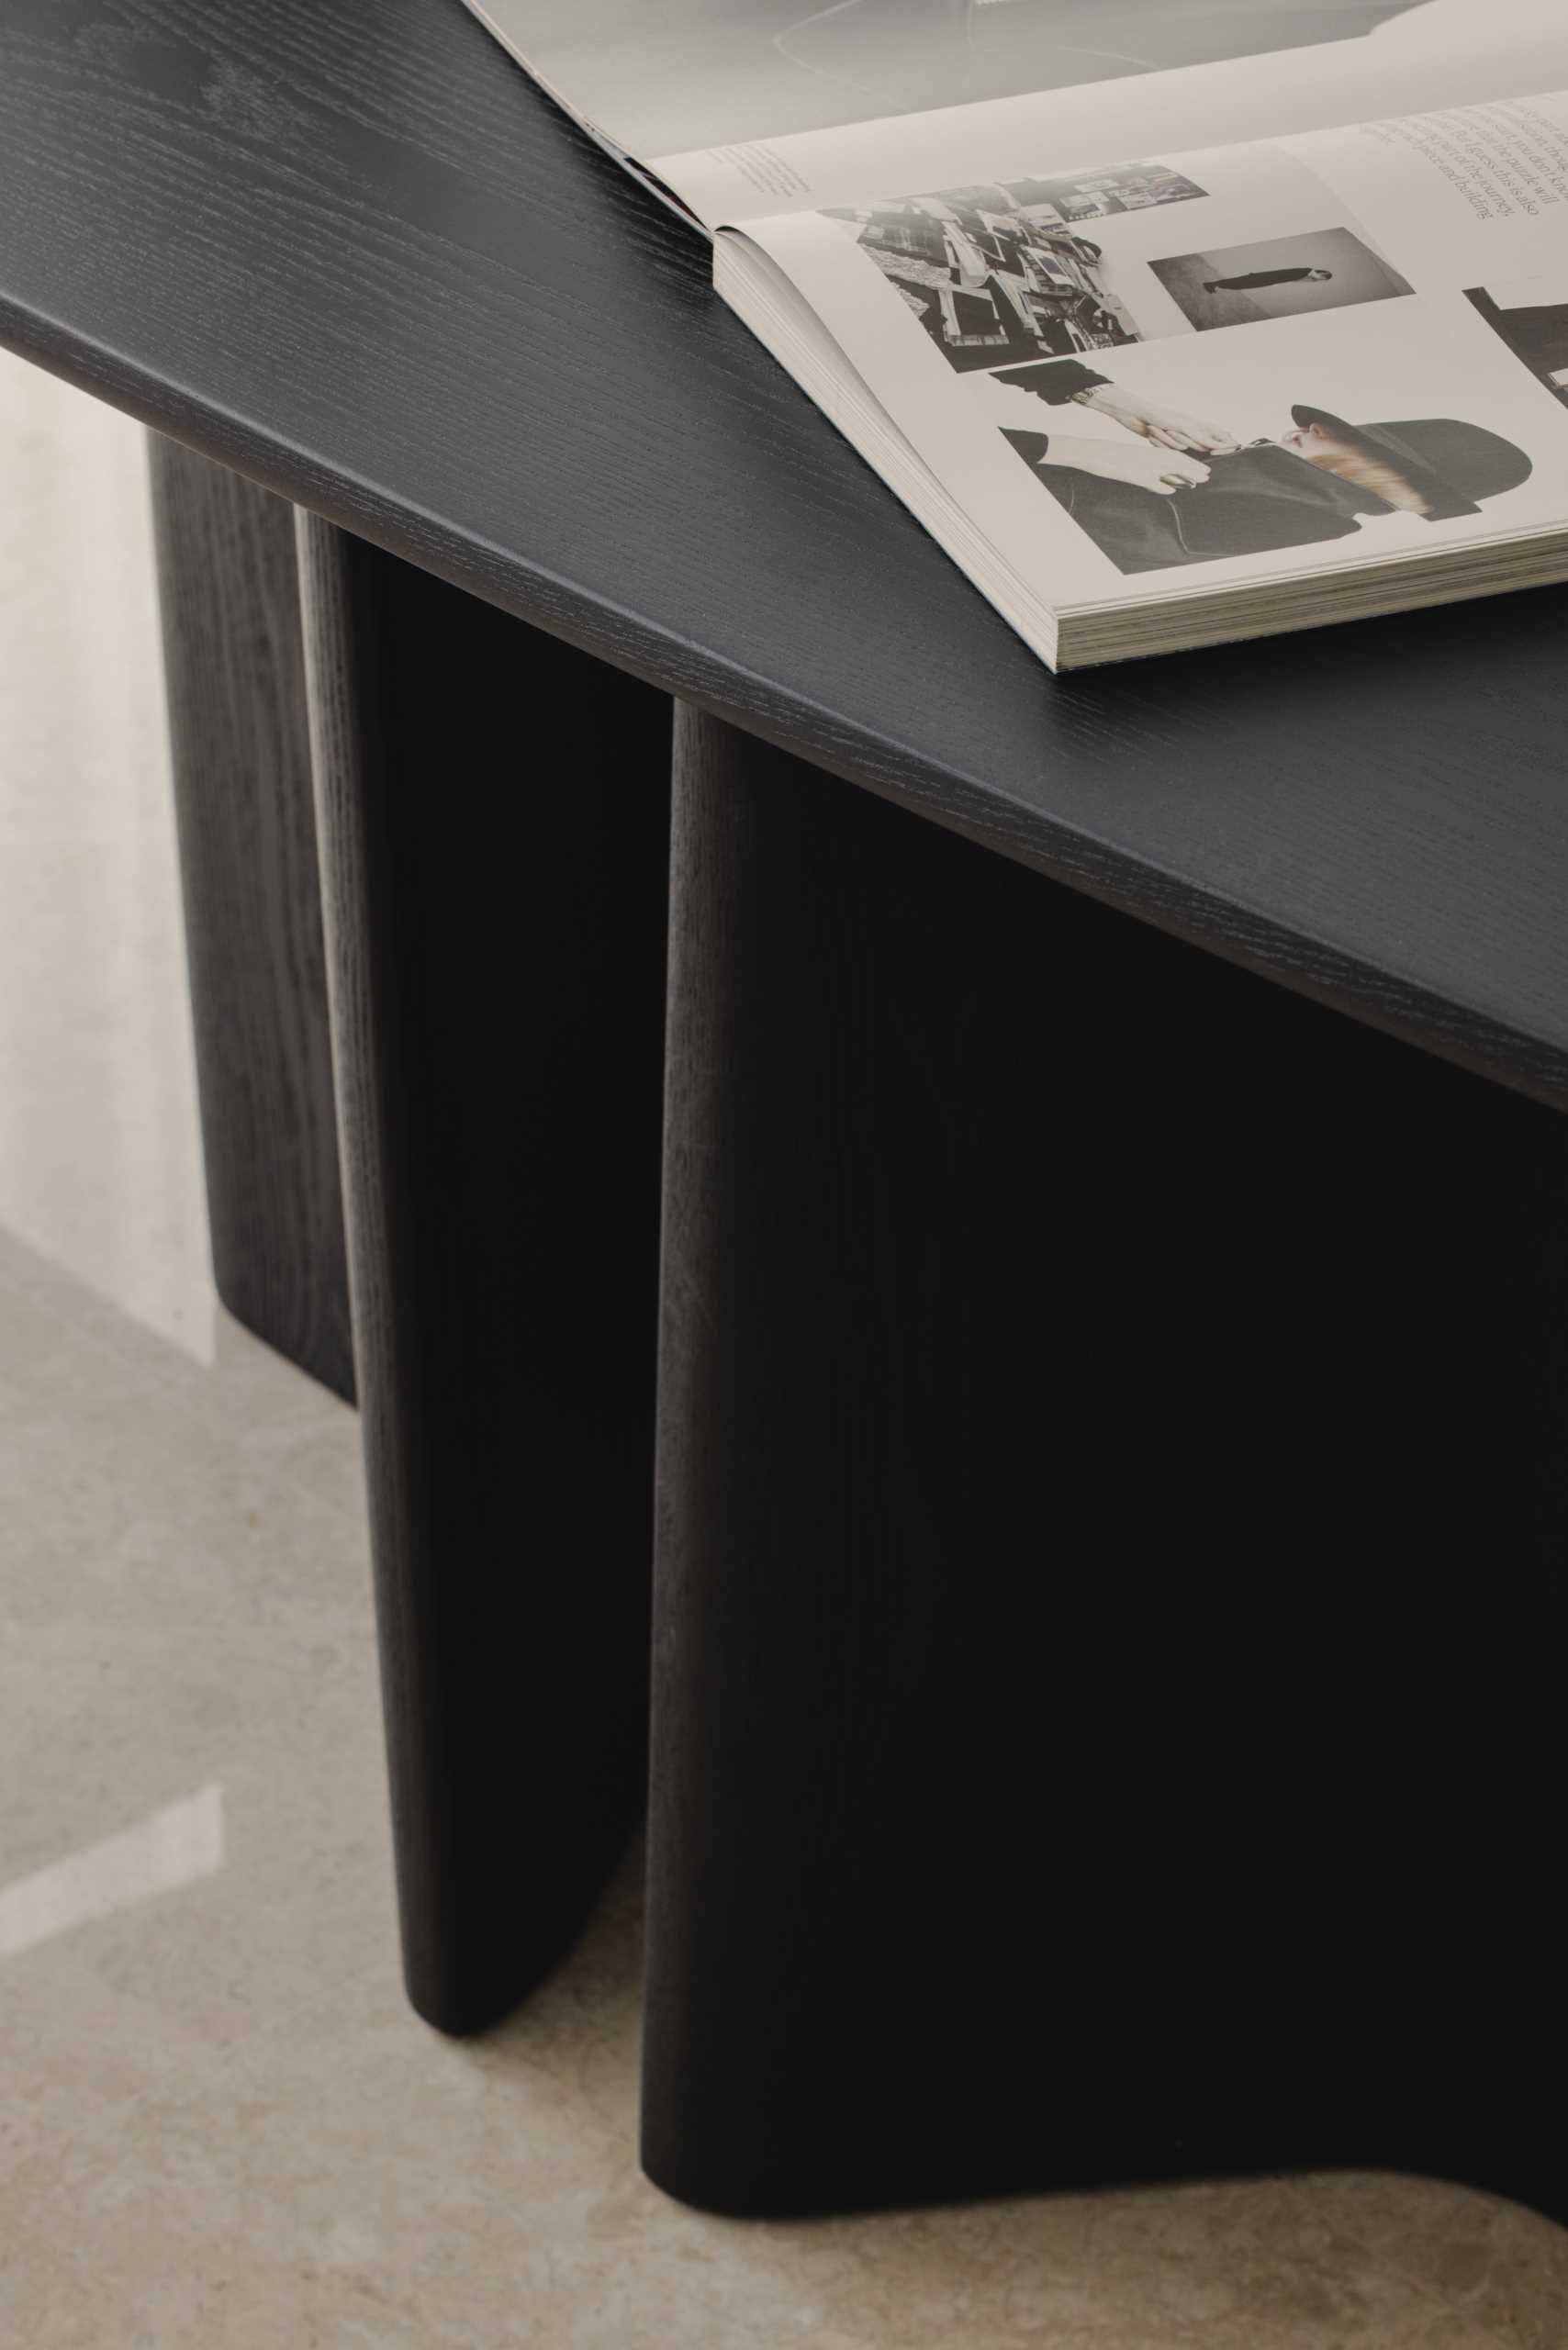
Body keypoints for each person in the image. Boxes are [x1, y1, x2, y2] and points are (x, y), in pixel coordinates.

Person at [986, 357, 1532, 573]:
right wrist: (1122, 407)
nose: (1315, 426)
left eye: (1353, 441)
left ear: (1386, 479)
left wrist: (1076, 451)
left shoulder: (1282, 522)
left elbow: (966, 472)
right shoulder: (1293, 513)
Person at [1203, 265, 1333, 292]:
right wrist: (1317, 278)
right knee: (1238, 283)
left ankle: (1214, 285)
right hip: (1265, 278)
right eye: (1322, 278)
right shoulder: (1308, 270)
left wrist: (1314, 280)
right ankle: (1211, 284)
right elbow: (1312, 274)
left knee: (1239, 285)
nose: (1319, 280)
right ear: (1321, 273)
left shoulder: (1303, 275)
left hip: (1267, 280)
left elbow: (1297, 281)